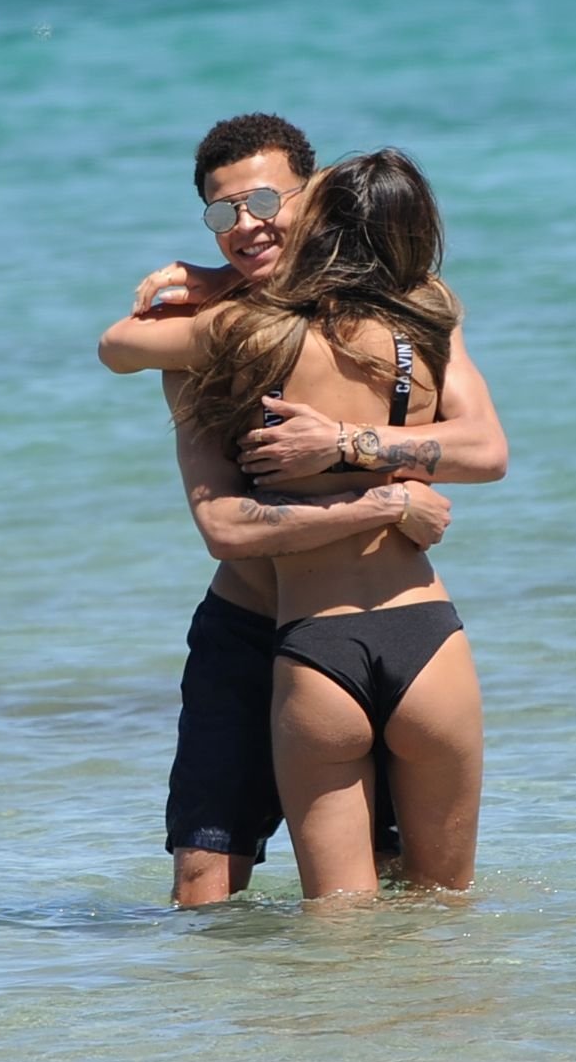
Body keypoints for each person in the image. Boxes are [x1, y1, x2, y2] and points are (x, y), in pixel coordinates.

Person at [98, 114, 506, 905]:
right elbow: (218, 519)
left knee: (378, 892)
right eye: (221, 213)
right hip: (252, 626)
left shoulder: (410, 306)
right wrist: (387, 500)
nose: (244, 226)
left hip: (334, 631)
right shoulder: (211, 332)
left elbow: (486, 448)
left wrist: (345, 444)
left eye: (263, 202)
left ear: (314, 196)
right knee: (205, 881)